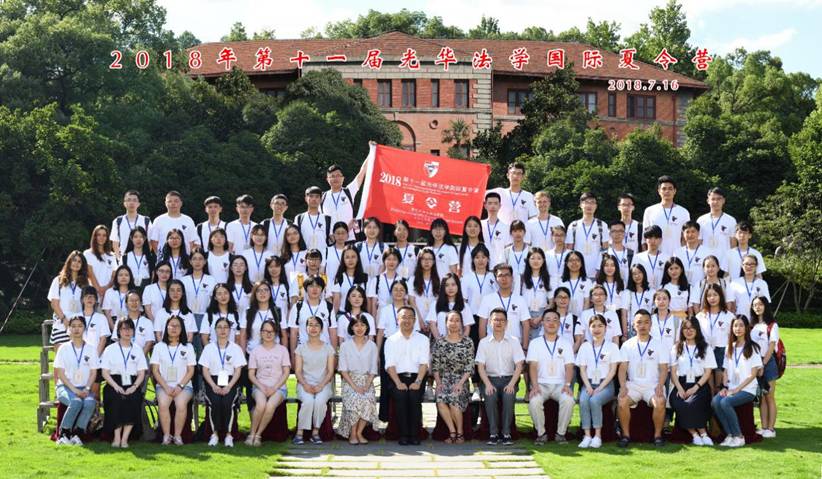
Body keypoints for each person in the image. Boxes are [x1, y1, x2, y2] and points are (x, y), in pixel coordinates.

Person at [617, 310, 670, 448]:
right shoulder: (627, 345)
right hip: (633, 385)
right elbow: (622, 369)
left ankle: (657, 436)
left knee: (660, 401)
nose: (642, 326)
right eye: (639, 322)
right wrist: (623, 386)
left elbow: (664, 369)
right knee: (622, 401)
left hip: (652, 385)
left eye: (646, 322)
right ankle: (625, 435)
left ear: (651, 324)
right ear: (634, 325)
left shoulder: (659, 344)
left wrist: (660, 385)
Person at [476, 308, 524, 446]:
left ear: (506, 323)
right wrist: (488, 384)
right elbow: (480, 367)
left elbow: (519, 365)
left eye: (502, 320)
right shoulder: (484, 342)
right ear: (490, 322)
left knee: (509, 396)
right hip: (489, 379)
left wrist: (512, 384)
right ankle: (493, 433)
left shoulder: (514, 341)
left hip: (509, 379)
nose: (498, 322)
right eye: (495, 319)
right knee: (490, 395)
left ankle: (506, 433)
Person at [527, 309, 576, 445]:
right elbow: (532, 366)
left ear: (559, 324)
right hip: (541, 384)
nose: (551, 323)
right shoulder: (535, 343)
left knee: (568, 400)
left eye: (555, 320)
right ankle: (541, 434)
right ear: (542, 323)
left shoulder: (566, 343)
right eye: (548, 320)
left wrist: (567, 384)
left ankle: (561, 433)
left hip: (560, 384)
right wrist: (534, 386)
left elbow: (569, 366)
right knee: (534, 401)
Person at [712, 315, 762, 447]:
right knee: (715, 401)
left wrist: (736, 389)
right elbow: (725, 371)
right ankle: (730, 435)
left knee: (725, 402)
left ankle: (739, 436)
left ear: (746, 328)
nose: (738, 328)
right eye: (735, 326)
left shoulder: (753, 347)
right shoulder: (730, 347)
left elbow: (753, 374)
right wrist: (724, 387)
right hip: (731, 388)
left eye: (741, 325)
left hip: (747, 390)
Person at [384, 306, 430, 446]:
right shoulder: (390, 340)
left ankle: (414, 434)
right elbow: (390, 365)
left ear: (415, 320)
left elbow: (424, 363)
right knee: (401, 395)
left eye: (410, 317)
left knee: (414, 396)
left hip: (417, 376)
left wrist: (418, 381)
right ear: (397, 320)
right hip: (396, 377)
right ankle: (403, 434)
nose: (407, 320)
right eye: (404, 317)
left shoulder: (423, 339)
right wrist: (398, 383)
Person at [199, 317, 247, 447]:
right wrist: (213, 386)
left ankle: (228, 435)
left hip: (231, 381)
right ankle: (214, 434)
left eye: (225, 327)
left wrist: (229, 386)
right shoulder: (209, 348)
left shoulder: (236, 348)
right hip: (212, 380)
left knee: (227, 402)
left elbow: (238, 370)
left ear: (230, 330)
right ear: (215, 330)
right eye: (219, 327)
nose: (222, 330)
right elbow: (205, 370)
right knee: (214, 402)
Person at [101, 319, 148, 448]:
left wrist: (134, 387)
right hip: (114, 382)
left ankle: (125, 439)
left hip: (132, 383)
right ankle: (117, 438)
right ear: (119, 331)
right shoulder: (110, 349)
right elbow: (105, 372)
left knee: (133, 399)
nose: (127, 332)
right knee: (115, 399)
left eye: (130, 329)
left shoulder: (138, 349)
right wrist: (116, 386)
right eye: (124, 329)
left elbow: (141, 373)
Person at [669, 317, 715, 446]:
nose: (689, 331)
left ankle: (704, 434)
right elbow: (673, 372)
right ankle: (695, 434)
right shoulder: (676, 347)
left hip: (700, 384)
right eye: (686, 328)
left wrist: (695, 387)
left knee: (693, 404)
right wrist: (679, 388)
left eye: (692, 328)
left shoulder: (705, 347)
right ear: (682, 331)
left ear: (697, 329)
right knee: (679, 403)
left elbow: (708, 372)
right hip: (681, 384)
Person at [53, 316, 99, 446]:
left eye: (79, 326)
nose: (76, 329)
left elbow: (93, 373)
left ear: (84, 328)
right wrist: (75, 390)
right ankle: (64, 434)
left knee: (90, 402)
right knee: (76, 401)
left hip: (84, 388)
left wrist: (87, 389)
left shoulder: (91, 349)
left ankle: (77, 434)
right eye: (73, 326)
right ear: (69, 328)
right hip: (65, 387)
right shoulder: (63, 348)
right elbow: (60, 373)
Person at [575, 313, 619, 449]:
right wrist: (588, 386)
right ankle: (587, 435)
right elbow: (582, 370)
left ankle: (597, 436)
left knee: (594, 400)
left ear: (606, 328)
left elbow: (612, 371)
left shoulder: (612, 347)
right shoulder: (585, 347)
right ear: (589, 328)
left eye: (600, 326)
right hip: (588, 383)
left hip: (606, 384)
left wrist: (600, 387)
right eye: (593, 326)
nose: (597, 329)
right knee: (583, 400)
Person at [150, 315, 196, 446]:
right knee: (163, 404)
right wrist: (165, 387)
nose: (174, 328)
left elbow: (191, 371)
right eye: (171, 325)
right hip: (163, 385)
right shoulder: (159, 347)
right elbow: (155, 371)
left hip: (184, 385)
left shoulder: (188, 347)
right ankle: (166, 435)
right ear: (166, 328)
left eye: (177, 326)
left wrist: (180, 386)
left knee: (181, 404)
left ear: (182, 329)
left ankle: (177, 436)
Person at [431, 311, 475, 444]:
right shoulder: (439, 342)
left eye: (457, 320)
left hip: (461, 380)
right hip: (444, 379)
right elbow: (435, 365)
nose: (454, 323)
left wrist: (461, 383)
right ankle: (452, 432)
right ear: (446, 323)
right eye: (451, 320)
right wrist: (438, 383)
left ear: (461, 323)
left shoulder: (467, 342)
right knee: (440, 398)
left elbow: (469, 366)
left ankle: (460, 433)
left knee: (454, 397)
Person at [246, 319, 291, 446]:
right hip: (259, 387)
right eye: (265, 331)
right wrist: (261, 386)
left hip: (279, 388)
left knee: (270, 405)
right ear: (261, 333)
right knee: (261, 404)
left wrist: (274, 388)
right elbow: (251, 374)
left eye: (271, 331)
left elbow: (286, 372)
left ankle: (258, 435)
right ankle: (251, 434)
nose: (268, 334)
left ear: (275, 333)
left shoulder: (282, 350)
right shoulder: (255, 351)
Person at [293, 316, 336, 445]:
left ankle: (315, 432)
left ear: (321, 329)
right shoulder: (300, 348)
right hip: (304, 384)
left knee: (320, 401)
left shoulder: (328, 348)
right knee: (308, 401)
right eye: (310, 325)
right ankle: (299, 433)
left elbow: (330, 371)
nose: (313, 328)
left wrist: (321, 385)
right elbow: (298, 371)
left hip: (324, 384)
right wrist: (305, 385)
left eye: (316, 325)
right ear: (306, 328)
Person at [337, 315, 379, 444]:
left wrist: (366, 386)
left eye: (362, 325)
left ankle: (359, 432)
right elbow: (343, 370)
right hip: (350, 381)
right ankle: (353, 433)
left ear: (367, 327)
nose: (359, 328)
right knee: (355, 398)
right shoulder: (345, 346)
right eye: (356, 325)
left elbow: (373, 369)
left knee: (367, 399)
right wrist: (355, 387)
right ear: (351, 328)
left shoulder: (372, 346)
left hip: (367, 381)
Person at [477, 264, 530, 352]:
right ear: (496, 279)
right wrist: (483, 347)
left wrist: (525, 348)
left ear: (512, 278)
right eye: (500, 275)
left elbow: (526, 325)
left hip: (515, 346)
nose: (504, 278)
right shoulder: (487, 299)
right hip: (492, 346)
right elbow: (482, 326)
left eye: (507, 275)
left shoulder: (520, 300)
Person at [750, 296, 780, 438]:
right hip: (755, 363)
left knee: (769, 396)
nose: (757, 307)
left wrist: (763, 364)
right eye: (755, 305)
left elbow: (771, 346)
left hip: (768, 363)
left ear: (765, 306)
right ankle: (763, 427)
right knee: (761, 397)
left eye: (760, 304)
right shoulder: (753, 326)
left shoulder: (772, 325)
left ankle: (771, 428)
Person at [696, 284, 735, 392]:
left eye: (715, 295)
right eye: (709, 295)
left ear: (721, 296)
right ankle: (710, 398)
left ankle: (717, 398)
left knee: (719, 384)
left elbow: (733, 337)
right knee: (708, 381)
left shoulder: (729, 316)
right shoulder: (700, 316)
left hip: (722, 350)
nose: (712, 298)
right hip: (705, 350)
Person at [288, 276, 336, 358]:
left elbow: (333, 332)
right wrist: (293, 356)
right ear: (306, 289)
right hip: (303, 352)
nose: (315, 289)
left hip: (324, 352)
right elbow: (293, 333)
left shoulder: (328, 307)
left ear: (322, 289)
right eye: (311, 286)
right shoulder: (297, 307)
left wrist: (334, 356)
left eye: (318, 286)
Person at [642, 176, 690, 256]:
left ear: (674, 191)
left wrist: (682, 256)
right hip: (655, 257)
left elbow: (685, 238)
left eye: (670, 189)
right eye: (664, 189)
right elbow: (644, 238)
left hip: (676, 257)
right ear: (659, 191)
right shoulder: (650, 211)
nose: (667, 191)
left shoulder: (683, 212)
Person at [565, 192, 610, 278]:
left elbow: (605, 249)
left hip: (596, 273)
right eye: (586, 202)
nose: (589, 205)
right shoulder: (573, 226)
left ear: (596, 206)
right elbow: (569, 250)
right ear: (581, 205)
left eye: (592, 202)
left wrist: (599, 269)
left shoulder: (602, 225)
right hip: (577, 272)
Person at [321, 158, 367, 238]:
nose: (335, 178)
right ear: (327, 179)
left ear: (343, 178)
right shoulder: (322, 197)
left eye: (338, 175)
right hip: (331, 240)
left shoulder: (349, 191)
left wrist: (372, 153)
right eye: (332, 176)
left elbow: (362, 172)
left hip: (350, 238)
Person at [427, 273, 474, 338]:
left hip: (459, 342)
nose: (450, 288)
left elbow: (467, 328)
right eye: (447, 285)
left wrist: (461, 342)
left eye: (453, 284)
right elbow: (432, 325)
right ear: (443, 287)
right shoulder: (435, 304)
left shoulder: (465, 306)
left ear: (458, 286)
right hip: (440, 341)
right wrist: (440, 341)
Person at [110, 190, 152, 259]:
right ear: (124, 203)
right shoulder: (118, 221)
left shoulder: (146, 221)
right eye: (129, 200)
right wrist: (119, 259)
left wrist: (144, 258)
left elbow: (150, 242)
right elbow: (115, 242)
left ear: (138, 204)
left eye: (134, 200)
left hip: (141, 259)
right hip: (123, 259)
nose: (131, 203)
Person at [182, 250, 215, 337]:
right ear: (190, 261)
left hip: (205, 316)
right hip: (187, 316)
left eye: (200, 259)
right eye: (194, 259)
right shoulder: (184, 280)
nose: (197, 262)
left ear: (205, 261)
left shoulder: (211, 280)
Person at [112, 290, 155, 357]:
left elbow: (149, 343)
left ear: (141, 303)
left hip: (142, 358)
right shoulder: (120, 321)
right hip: (123, 358)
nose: (134, 303)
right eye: (131, 300)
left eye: (136, 300)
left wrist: (139, 359)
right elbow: (117, 340)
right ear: (126, 304)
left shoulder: (147, 322)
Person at [697, 187, 737, 257]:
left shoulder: (731, 220)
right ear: (708, 201)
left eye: (719, 199)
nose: (716, 202)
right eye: (713, 199)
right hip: (706, 260)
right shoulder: (701, 220)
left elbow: (733, 244)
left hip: (724, 260)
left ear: (723, 200)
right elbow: (699, 242)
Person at [729, 254, 771, 320]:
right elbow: (731, 305)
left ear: (756, 266)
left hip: (757, 320)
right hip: (740, 320)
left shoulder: (762, 283)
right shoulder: (734, 283)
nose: (749, 266)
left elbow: (766, 304)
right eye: (746, 264)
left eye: (752, 264)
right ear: (742, 265)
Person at [674, 221, 715, 287]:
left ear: (698, 233)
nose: (690, 235)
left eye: (693, 232)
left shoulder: (707, 252)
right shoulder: (677, 252)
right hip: (681, 288)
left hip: (701, 287)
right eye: (687, 232)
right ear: (683, 234)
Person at [366, 247, 404, 316]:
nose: (391, 262)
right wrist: (374, 320)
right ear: (384, 261)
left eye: (394, 259)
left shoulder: (402, 280)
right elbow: (373, 303)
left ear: (398, 262)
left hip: (398, 314)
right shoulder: (376, 280)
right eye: (388, 259)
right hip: (380, 314)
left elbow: (405, 301)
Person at [409, 248, 440, 331]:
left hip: (434, 321)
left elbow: (439, 302)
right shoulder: (412, 280)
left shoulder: (438, 280)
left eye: (429, 259)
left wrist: (432, 322)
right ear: (419, 261)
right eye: (424, 259)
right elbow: (412, 301)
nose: (427, 262)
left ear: (434, 262)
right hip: (417, 319)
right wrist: (419, 320)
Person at [331, 245, 368, 314]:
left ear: (358, 258)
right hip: (342, 315)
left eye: (353, 257)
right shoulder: (339, 278)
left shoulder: (365, 278)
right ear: (343, 260)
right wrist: (333, 317)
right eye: (347, 257)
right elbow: (336, 302)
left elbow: (367, 300)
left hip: (360, 316)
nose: (350, 260)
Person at [596, 254, 627, 334]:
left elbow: (624, 308)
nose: (609, 268)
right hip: (602, 315)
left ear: (616, 267)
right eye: (606, 265)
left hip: (618, 314)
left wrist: (625, 334)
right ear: (602, 267)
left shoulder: (622, 283)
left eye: (612, 265)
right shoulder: (598, 283)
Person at [294, 186, 333, 251]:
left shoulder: (327, 219)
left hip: (323, 255)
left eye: (317, 197)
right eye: (311, 196)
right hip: (304, 254)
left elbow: (332, 239)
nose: (314, 199)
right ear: (306, 198)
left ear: (321, 199)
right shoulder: (299, 218)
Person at [622, 264, 656, 337]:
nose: (637, 276)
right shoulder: (627, 292)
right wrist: (625, 334)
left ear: (644, 273)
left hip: (648, 329)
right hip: (633, 330)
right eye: (634, 274)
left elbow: (654, 313)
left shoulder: (652, 292)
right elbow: (624, 315)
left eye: (639, 272)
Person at [631, 225, 669, 289]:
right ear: (645, 240)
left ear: (661, 240)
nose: (653, 241)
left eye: (656, 238)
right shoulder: (637, 257)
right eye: (650, 238)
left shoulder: (667, 258)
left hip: (661, 293)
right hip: (643, 292)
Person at [556, 251, 593, 317]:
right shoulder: (560, 281)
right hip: (563, 317)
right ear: (566, 263)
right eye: (571, 260)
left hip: (580, 318)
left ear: (582, 263)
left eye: (577, 260)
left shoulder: (587, 282)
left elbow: (587, 302)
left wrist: (582, 319)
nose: (574, 263)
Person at [78, 286, 111, 358]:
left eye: (92, 296)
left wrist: (95, 357)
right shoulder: (76, 317)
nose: (89, 299)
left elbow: (103, 339)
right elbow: (72, 337)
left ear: (96, 300)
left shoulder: (101, 318)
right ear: (82, 299)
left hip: (96, 357)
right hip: (78, 357)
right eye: (86, 296)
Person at [84, 225, 116, 298]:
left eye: (104, 235)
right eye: (99, 235)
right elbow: (90, 274)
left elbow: (113, 276)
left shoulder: (112, 256)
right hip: (92, 293)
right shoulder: (87, 254)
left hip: (108, 294)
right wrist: (98, 290)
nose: (101, 238)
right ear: (94, 237)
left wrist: (106, 289)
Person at [481, 192, 510, 266]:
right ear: (485, 205)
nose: (493, 206)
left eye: (495, 203)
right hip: (481, 266)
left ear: (500, 206)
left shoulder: (506, 227)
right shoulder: (479, 225)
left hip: (499, 267)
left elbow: (508, 249)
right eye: (490, 203)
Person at [103, 266, 135, 331]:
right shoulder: (109, 292)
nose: (123, 277)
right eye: (120, 275)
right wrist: (114, 330)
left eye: (126, 275)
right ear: (116, 277)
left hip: (130, 324)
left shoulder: (134, 293)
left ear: (130, 277)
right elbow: (107, 313)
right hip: (113, 323)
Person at [502, 220, 529, 292]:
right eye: (515, 231)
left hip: (527, 287)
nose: (518, 234)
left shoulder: (530, 250)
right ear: (511, 233)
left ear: (524, 232)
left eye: (520, 231)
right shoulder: (506, 251)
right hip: (511, 288)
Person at [546, 226, 568, 291]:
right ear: (552, 237)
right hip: (550, 286)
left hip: (566, 285)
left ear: (565, 237)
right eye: (556, 235)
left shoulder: (570, 254)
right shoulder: (546, 254)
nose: (559, 238)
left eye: (561, 235)